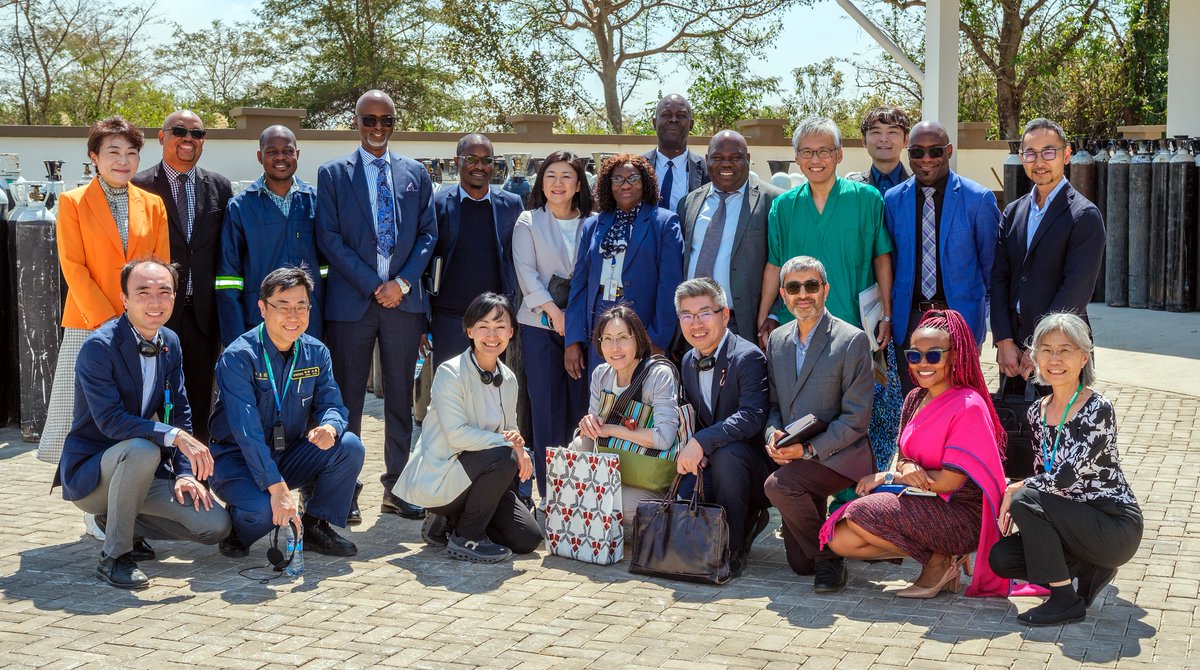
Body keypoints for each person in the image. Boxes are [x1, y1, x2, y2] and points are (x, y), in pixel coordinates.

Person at [54, 258, 230, 589]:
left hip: (142, 471)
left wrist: (185, 473)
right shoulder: (98, 347)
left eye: (164, 292)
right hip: (94, 473)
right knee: (142, 450)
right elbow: (109, 422)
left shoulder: (171, 342)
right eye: (143, 292)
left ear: (175, 297)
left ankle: (118, 520)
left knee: (215, 527)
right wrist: (174, 436)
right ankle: (116, 556)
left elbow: (179, 410)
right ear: (124, 299)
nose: (155, 301)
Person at [820, 309, 1009, 598]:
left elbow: (949, 483)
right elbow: (905, 455)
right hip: (922, 500)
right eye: (914, 355)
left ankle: (938, 561)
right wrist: (905, 467)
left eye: (933, 355)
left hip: (960, 514)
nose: (922, 364)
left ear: (955, 356)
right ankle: (941, 557)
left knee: (861, 513)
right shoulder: (915, 397)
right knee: (840, 539)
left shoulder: (968, 405)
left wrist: (890, 476)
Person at [316, 89, 437, 521]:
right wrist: (374, 285)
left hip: (403, 305)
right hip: (352, 304)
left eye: (386, 120)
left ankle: (398, 486)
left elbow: (427, 235)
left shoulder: (415, 174)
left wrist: (402, 283)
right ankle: (342, 489)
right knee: (346, 400)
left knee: (400, 398)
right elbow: (329, 238)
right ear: (356, 122)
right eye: (370, 120)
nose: (378, 128)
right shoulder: (332, 174)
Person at [758, 116, 900, 474]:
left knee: (853, 411)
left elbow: (881, 256)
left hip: (853, 326)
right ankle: (804, 486)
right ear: (796, 158)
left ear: (839, 155)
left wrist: (886, 313)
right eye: (806, 152)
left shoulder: (866, 199)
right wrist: (764, 317)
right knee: (803, 410)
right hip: (798, 326)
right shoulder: (784, 206)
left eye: (823, 150)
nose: (815, 159)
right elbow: (774, 265)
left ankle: (850, 496)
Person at [989, 313, 1142, 626]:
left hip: (1112, 524)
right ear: (1034, 357)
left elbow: (1062, 478)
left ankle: (1064, 600)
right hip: (1072, 521)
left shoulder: (1097, 408)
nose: (1054, 359)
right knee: (1002, 558)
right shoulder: (1037, 411)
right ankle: (1090, 570)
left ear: (1084, 357)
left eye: (1065, 350)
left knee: (1024, 497)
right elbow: (1043, 474)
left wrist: (1017, 488)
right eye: (1046, 350)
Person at [39, 115, 171, 468]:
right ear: (94, 157)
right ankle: (89, 500)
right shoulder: (73, 202)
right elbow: (74, 267)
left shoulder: (153, 204)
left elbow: (160, 267)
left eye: (131, 152)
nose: (123, 161)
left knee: (135, 410)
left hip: (143, 323)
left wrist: (143, 316)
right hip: (89, 321)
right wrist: (110, 323)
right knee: (81, 414)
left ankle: (129, 490)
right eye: (113, 151)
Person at [209, 267, 364, 558]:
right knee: (263, 512)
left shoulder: (316, 352)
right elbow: (247, 432)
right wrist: (278, 490)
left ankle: (315, 525)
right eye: (283, 307)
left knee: (349, 446)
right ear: (263, 308)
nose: (293, 316)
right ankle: (239, 528)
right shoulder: (238, 357)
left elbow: (334, 405)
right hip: (237, 459)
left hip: (287, 454)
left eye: (301, 306)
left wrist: (329, 426)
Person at [395, 293, 542, 563]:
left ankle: (450, 522)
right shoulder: (450, 373)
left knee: (527, 539)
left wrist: (520, 445)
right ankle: (467, 537)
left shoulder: (508, 379)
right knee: (504, 455)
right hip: (442, 478)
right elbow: (456, 435)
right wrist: (509, 445)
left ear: (511, 331)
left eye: (500, 326)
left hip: (480, 475)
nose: (492, 334)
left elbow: (511, 428)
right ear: (469, 330)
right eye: (484, 326)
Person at [762, 256, 874, 593]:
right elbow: (772, 405)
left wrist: (809, 449)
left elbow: (857, 418)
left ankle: (831, 557)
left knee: (778, 486)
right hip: (795, 456)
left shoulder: (852, 340)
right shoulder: (777, 340)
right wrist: (772, 435)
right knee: (800, 565)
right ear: (783, 295)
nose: (803, 294)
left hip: (841, 456)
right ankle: (824, 544)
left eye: (812, 285)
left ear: (825, 289)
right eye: (794, 287)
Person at [133, 109, 233, 443]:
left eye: (197, 134)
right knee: (150, 396)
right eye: (180, 131)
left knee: (198, 399)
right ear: (162, 137)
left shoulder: (219, 185)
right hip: (155, 314)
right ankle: (156, 471)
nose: (189, 139)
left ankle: (196, 474)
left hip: (203, 315)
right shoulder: (139, 185)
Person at [991, 118, 1106, 395]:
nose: (1039, 161)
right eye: (1030, 153)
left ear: (1066, 155)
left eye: (1048, 152)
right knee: (1016, 429)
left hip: (1060, 347)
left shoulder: (1084, 215)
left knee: (1059, 431)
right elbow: (999, 279)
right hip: (1013, 350)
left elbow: (1076, 289)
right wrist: (1004, 340)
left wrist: (1040, 348)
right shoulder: (1014, 212)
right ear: (1022, 158)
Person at [885, 121, 1000, 396]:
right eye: (917, 152)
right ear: (907, 153)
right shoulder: (892, 200)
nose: (926, 160)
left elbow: (992, 271)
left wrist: (983, 326)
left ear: (948, 151)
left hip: (958, 320)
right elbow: (889, 263)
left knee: (957, 400)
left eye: (935, 151)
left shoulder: (978, 199)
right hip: (910, 320)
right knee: (911, 400)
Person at [674, 278, 771, 577]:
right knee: (686, 488)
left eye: (705, 313)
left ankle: (733, 547)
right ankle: (733, 528)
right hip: (714, 459)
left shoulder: (748, 356)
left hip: (753, 467)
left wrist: (703, 442)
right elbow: (694, 416)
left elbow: (752, 416)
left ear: (725, 315)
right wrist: (697, 447)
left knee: (729, 456)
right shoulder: (688, 359)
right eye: (687, 315)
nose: (696, 323)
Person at [512, 150, 592, 506]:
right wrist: (555, 316)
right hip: (540, 326)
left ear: (578, 184)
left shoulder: (594, 221)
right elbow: (527, 274)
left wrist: (573, 322)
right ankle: (550, 492)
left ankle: (582, 486)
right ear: (541, 181)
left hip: (585, 329)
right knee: (545, 408)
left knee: (582, 407)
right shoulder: (528, 221)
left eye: (566, 177)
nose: (558, 184)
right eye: (550, 176)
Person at [564, 153, 684, 376]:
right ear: (608, 185)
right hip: (599, 323)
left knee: (639, 400)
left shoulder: (665, 222)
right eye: (617, 179)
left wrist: (658, 339)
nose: (625, 185)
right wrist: (573, 339)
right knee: (602, 393)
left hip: (643, 324)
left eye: (633, 178)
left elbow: (670, 286)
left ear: (645, 182)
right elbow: (579, 284)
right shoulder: (593, 224)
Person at [216, 125, 325, 347]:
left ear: (297, 154)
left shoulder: (317, 202)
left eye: (287, 150)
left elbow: (328, 268)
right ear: (260, 156)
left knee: (306, 380)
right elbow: (228, 277)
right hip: (257, 323)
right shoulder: (241, 207)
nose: (280, 157)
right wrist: (236, 336)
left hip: (309, 323)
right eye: (272, 151)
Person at [677, 130, 784, 345]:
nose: (726, 164)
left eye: (735, 158)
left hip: (743, 323)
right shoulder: (689, 203)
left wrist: (775, 314)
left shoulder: (773, 201)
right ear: (707, 160)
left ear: (748, 159)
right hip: (691, 325)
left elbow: (785, 263)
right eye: (718, 158)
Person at [574, 305, 681, 519]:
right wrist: (588, 425)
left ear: (638, 339)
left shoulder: (659, 374)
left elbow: (663, 439)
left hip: (651, 480)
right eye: (607, 339)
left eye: (623, 337)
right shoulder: (601, 375)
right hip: (616, 471)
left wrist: (611, 429)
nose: (615, 347)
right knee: (576, 445)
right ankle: (588, 529)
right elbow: (594, 436)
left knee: (597, 498)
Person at [429, 134, 524, 369]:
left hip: (493, 320)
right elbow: (425, 259)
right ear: (457, 161)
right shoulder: (437, 203)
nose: (480, 166)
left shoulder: (511, 205)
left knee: (490, 389)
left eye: (487, 160)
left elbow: (517, 259)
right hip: (448, 317)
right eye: (472, 158)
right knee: (450, 391)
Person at [641, 94, 709, 212]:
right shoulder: (637, 167)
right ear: (654, 122)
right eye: (666, 115)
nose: (673, 119)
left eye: (681, 115)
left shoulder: (707, 170)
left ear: (691, 124)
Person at [847, 106, 911, 193]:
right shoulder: (853, 187)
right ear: (864, 141)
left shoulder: (918, 185)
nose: (883, 139)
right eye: (876, 132)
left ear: (906, 140)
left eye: (892, 132)